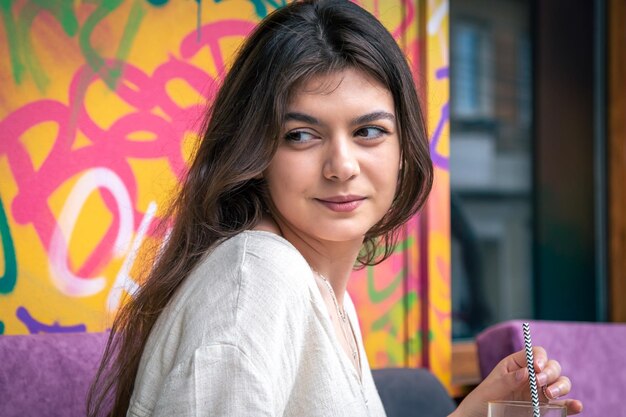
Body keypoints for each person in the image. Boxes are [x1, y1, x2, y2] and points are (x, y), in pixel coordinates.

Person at [88, 1, 583, 416]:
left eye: (369, 131)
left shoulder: (324, 290)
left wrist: (477, 409)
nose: (342, 166)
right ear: (254, 152)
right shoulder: (259, 277)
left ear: (403, 146)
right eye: (301, 135)